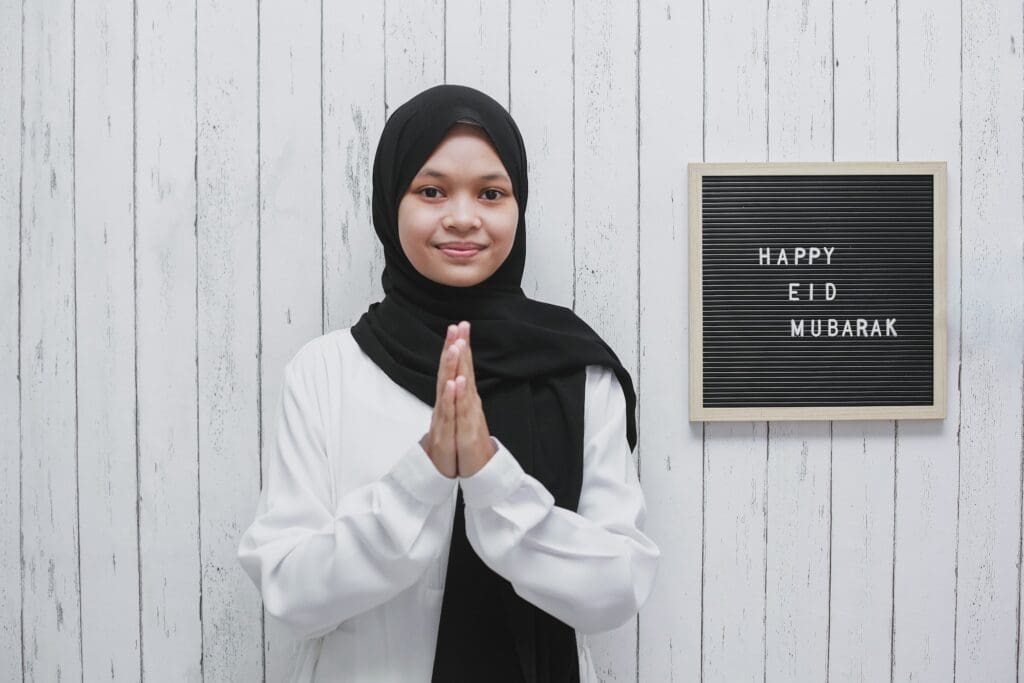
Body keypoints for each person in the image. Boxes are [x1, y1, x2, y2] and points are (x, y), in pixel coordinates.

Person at [237, 83, 660, 683]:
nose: (463, 218)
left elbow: (616, 589)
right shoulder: (327, 370)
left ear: (518, 204)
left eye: (491, 193)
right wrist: (422, 478)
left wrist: (491, 479)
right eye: (431, 191)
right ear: (391, 201)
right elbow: (290, 594)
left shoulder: (576, 369)